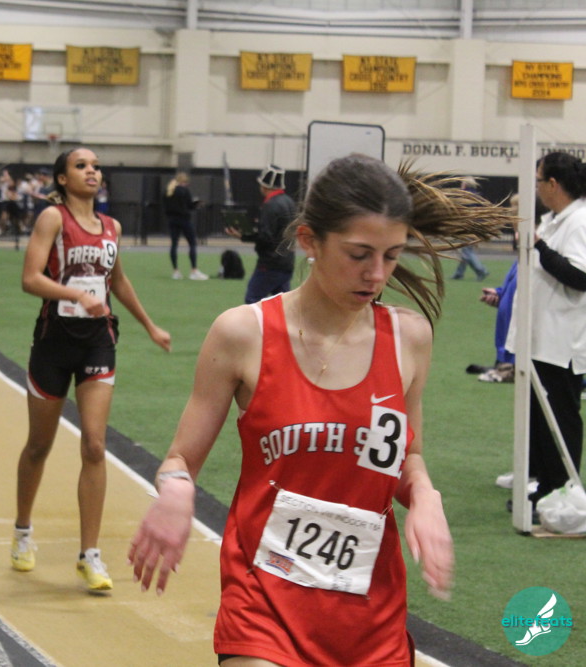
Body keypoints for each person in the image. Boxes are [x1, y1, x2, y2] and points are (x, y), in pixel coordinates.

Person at [129, 154, 513, 665]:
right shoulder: (243, 333)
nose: (376, 274)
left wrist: (425, 495)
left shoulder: (409, 338)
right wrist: (176, 490)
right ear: (309, 241)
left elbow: (406, 457)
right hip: (263, 607)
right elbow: (181, 458)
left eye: (392, 255)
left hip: (371, 615)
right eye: (359, 255)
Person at [12, 147, 172, 592]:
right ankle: (22, 531)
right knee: (39, 446)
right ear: (63, 179)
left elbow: (117, 281)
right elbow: (30, 278)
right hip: (54, 342)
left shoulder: (111, 227)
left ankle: (90, 555)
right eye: (81, 166)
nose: (92, 172)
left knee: (95, 446)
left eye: (96, 166)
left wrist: (150, 325)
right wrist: (77, 295)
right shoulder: (52, 219)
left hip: (97, 341)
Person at [511, 151, 586, 515]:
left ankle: (563, 487)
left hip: (563, 340)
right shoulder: (554, 220)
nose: (536, 188)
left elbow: (580, 276)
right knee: (539, 418)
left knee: (561, 417)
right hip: (540, 338)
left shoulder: (580, 221)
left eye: (539, 181)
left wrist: (539, 246)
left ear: (553, 184)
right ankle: (543, 483)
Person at [226, 164, 296, 303]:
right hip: (287, 261)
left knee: (252, 300)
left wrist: (243, 236)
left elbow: (266, 237)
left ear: (264, 186)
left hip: (270, 263)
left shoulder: (270, 205)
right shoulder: (289, 202)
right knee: (283, 305)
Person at [164, 172, 209, 280]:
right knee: (192, 243)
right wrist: (197, 204)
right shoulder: (184, 191)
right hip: (184, 220)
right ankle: (194, 270)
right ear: (184, 182)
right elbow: (189, 205)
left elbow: (165, 207)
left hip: (172, 220)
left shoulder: (167, 191)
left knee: (174, 245)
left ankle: (175, 271)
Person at [452, 178, 490, 281]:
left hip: (467, 226)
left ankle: (481, 270)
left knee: (467, 251)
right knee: (466, 250)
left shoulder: (464, 196)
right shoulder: (478, 196)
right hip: (477, 225)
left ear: (465, 185)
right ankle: (459, 273)